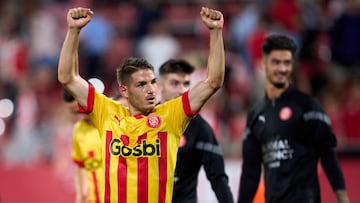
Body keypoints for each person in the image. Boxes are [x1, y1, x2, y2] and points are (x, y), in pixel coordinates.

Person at [58, 6, 225, 203]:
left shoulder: (172, 114)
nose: (151, 89)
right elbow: (67, 78)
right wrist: (73, 32)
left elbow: (213, 82)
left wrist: (215, 33)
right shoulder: (106, 111)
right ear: (124, 91)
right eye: (141, 84)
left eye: (153, 82)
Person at [237, 34, 350, 203]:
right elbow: (250, 171)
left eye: (287, 63)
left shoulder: (308, 106)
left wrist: (342, 198)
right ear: (264, 64)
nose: (282, 69)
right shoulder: (256, 114)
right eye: (276, 62)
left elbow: (328, 156)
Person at [158, 59, 234, 203]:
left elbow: (217, 177)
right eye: (174, 83)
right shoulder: (143, 121)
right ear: (159, 86)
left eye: (186, 84)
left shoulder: (200, 128)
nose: (181, 90)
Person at [62, 88, 103, 203]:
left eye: (80, 110)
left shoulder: (113, 121)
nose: (78, 117)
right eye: (74, 113)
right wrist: (81, 196)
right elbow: (81, 166)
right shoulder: (79, 129)